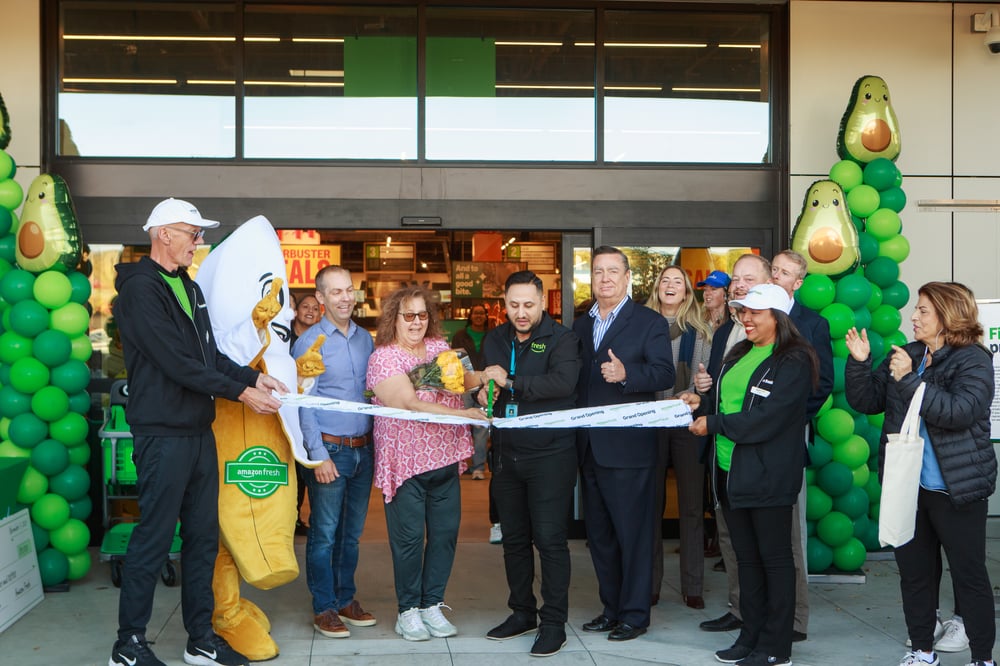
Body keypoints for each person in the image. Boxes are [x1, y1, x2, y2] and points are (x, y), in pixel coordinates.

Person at [109, 197, 287, 666]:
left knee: (203, 538)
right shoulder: (140, 290)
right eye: (193, 233)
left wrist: (251, 377)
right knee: (154, 537)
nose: (199, 242)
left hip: (196, 432)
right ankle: (128, 645)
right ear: (163, 233)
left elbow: (208, 356)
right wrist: (240, 394)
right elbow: (176, 363)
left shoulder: (189, 286)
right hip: (162, 434)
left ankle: (200, 639)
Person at [845, 281, 996, 666]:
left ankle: (981, 657)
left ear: (948, 316)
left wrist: (911, 380)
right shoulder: (908, 354)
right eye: (915, 309)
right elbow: (866, 400)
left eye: (923, 310)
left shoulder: (973, 360)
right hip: (908, 488)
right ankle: (922, 650)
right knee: (914, 575)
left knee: (969, 575)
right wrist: (860, 362)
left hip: (956, 488)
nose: (913, 317)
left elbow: (958, 412)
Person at [687, 283, 819, 666]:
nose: (745, 319)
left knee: (774, 561)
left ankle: (776, 647)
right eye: (742, 311)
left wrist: (712, 423)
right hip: (730, 473)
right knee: (746, 561)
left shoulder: (794, 359)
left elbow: (767, 418)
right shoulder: (740, 351)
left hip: (768, 476)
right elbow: (732, 401)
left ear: (778, 318)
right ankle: (751, 635)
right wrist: (702, 401)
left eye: (754, 313)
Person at [366, 286, 488, 642]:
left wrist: (481, 378)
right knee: (408, 540)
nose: (417, 322)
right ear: (394, 319)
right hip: (406, 465)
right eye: (409, 316)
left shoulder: (439, 347)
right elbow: (407, 403)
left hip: (445, 460)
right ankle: (408, 611)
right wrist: (463, 411)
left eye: (422, 315)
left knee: (445, 536)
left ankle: (432, 603)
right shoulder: (383, 358)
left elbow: (462, 378)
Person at [477, 271, 582, 657]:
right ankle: (523, 613)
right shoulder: (495, 338)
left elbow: (562, 384)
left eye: (528, 305)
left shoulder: (563, 339)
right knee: (515, 541)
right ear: (504, 303)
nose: (521, 313)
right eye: (513, 305)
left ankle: (554, 623)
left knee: (551, 542)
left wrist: (511, 382)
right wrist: (477, 387)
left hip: (550, 456)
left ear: (543, 302)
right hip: (506, 455)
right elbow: (488, 384)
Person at [573, 246, 675, 642]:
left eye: (613, 271)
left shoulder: (648, 322)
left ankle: (635, 615)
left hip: (629, 450)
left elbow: (664, 373)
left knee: (633, 534)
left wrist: (626, 374)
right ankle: (611, 608)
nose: (605, 278)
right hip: (589, 449)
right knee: (599, 536)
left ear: (627, 276)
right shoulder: (581, 326)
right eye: (598, 271)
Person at [292, 266, 376, 640]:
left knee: (351, 534)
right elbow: (302, 403)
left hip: (363, 450)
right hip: (330, 451)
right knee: (324, 533)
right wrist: (317, 454)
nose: (346, 298)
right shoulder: (309, 342)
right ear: (321, 298)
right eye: (336, 292)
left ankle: (345, 599)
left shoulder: (365, 339)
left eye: (350, 290)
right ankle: (324, 606)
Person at [694, 253, 772, 634]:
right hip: (724, 455)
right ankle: (741, 610)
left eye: (748, 278)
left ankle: (778, 622)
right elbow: (722, 392)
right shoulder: (727, 331)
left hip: (763, 459)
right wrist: (703, 395)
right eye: (736, 279)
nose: (739, 284)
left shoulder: (787, 333)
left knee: (770, 549)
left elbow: (794, 399)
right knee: (732, 540)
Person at [769, 249, 835, 641]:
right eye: (773, 269)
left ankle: (795, 620)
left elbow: (822, 382)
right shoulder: (753, 316)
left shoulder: (813, 323)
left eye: (785, 273)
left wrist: (790, 417)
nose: (776, 276)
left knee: (791, 533)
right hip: (750, 437)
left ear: (799, 282)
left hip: (790, 436)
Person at [645, 265, 713, 610]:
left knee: (691, 506)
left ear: (686, 292)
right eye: (665, 281)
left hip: (687, 423)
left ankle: (693, 586)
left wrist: (683, 398)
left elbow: (701, 377)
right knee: (650, 507)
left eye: (678, 282)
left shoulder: (700, 331)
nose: (671, 286)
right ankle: (650, 584)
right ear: (657, 289)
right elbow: (639, 375)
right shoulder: (641, 326)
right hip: (648, 424)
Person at [452, 304, 491, 480]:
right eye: (476, 313)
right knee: (459, 425)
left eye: (482, 313)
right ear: (470, 316)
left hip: (486, 385)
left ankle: (478, 468)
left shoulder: (492, 335)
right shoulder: (460, 335)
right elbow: (454, 358)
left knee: (481, 428)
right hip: (463, 386)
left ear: (486, 316)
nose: (479, 316)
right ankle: (457, 465)